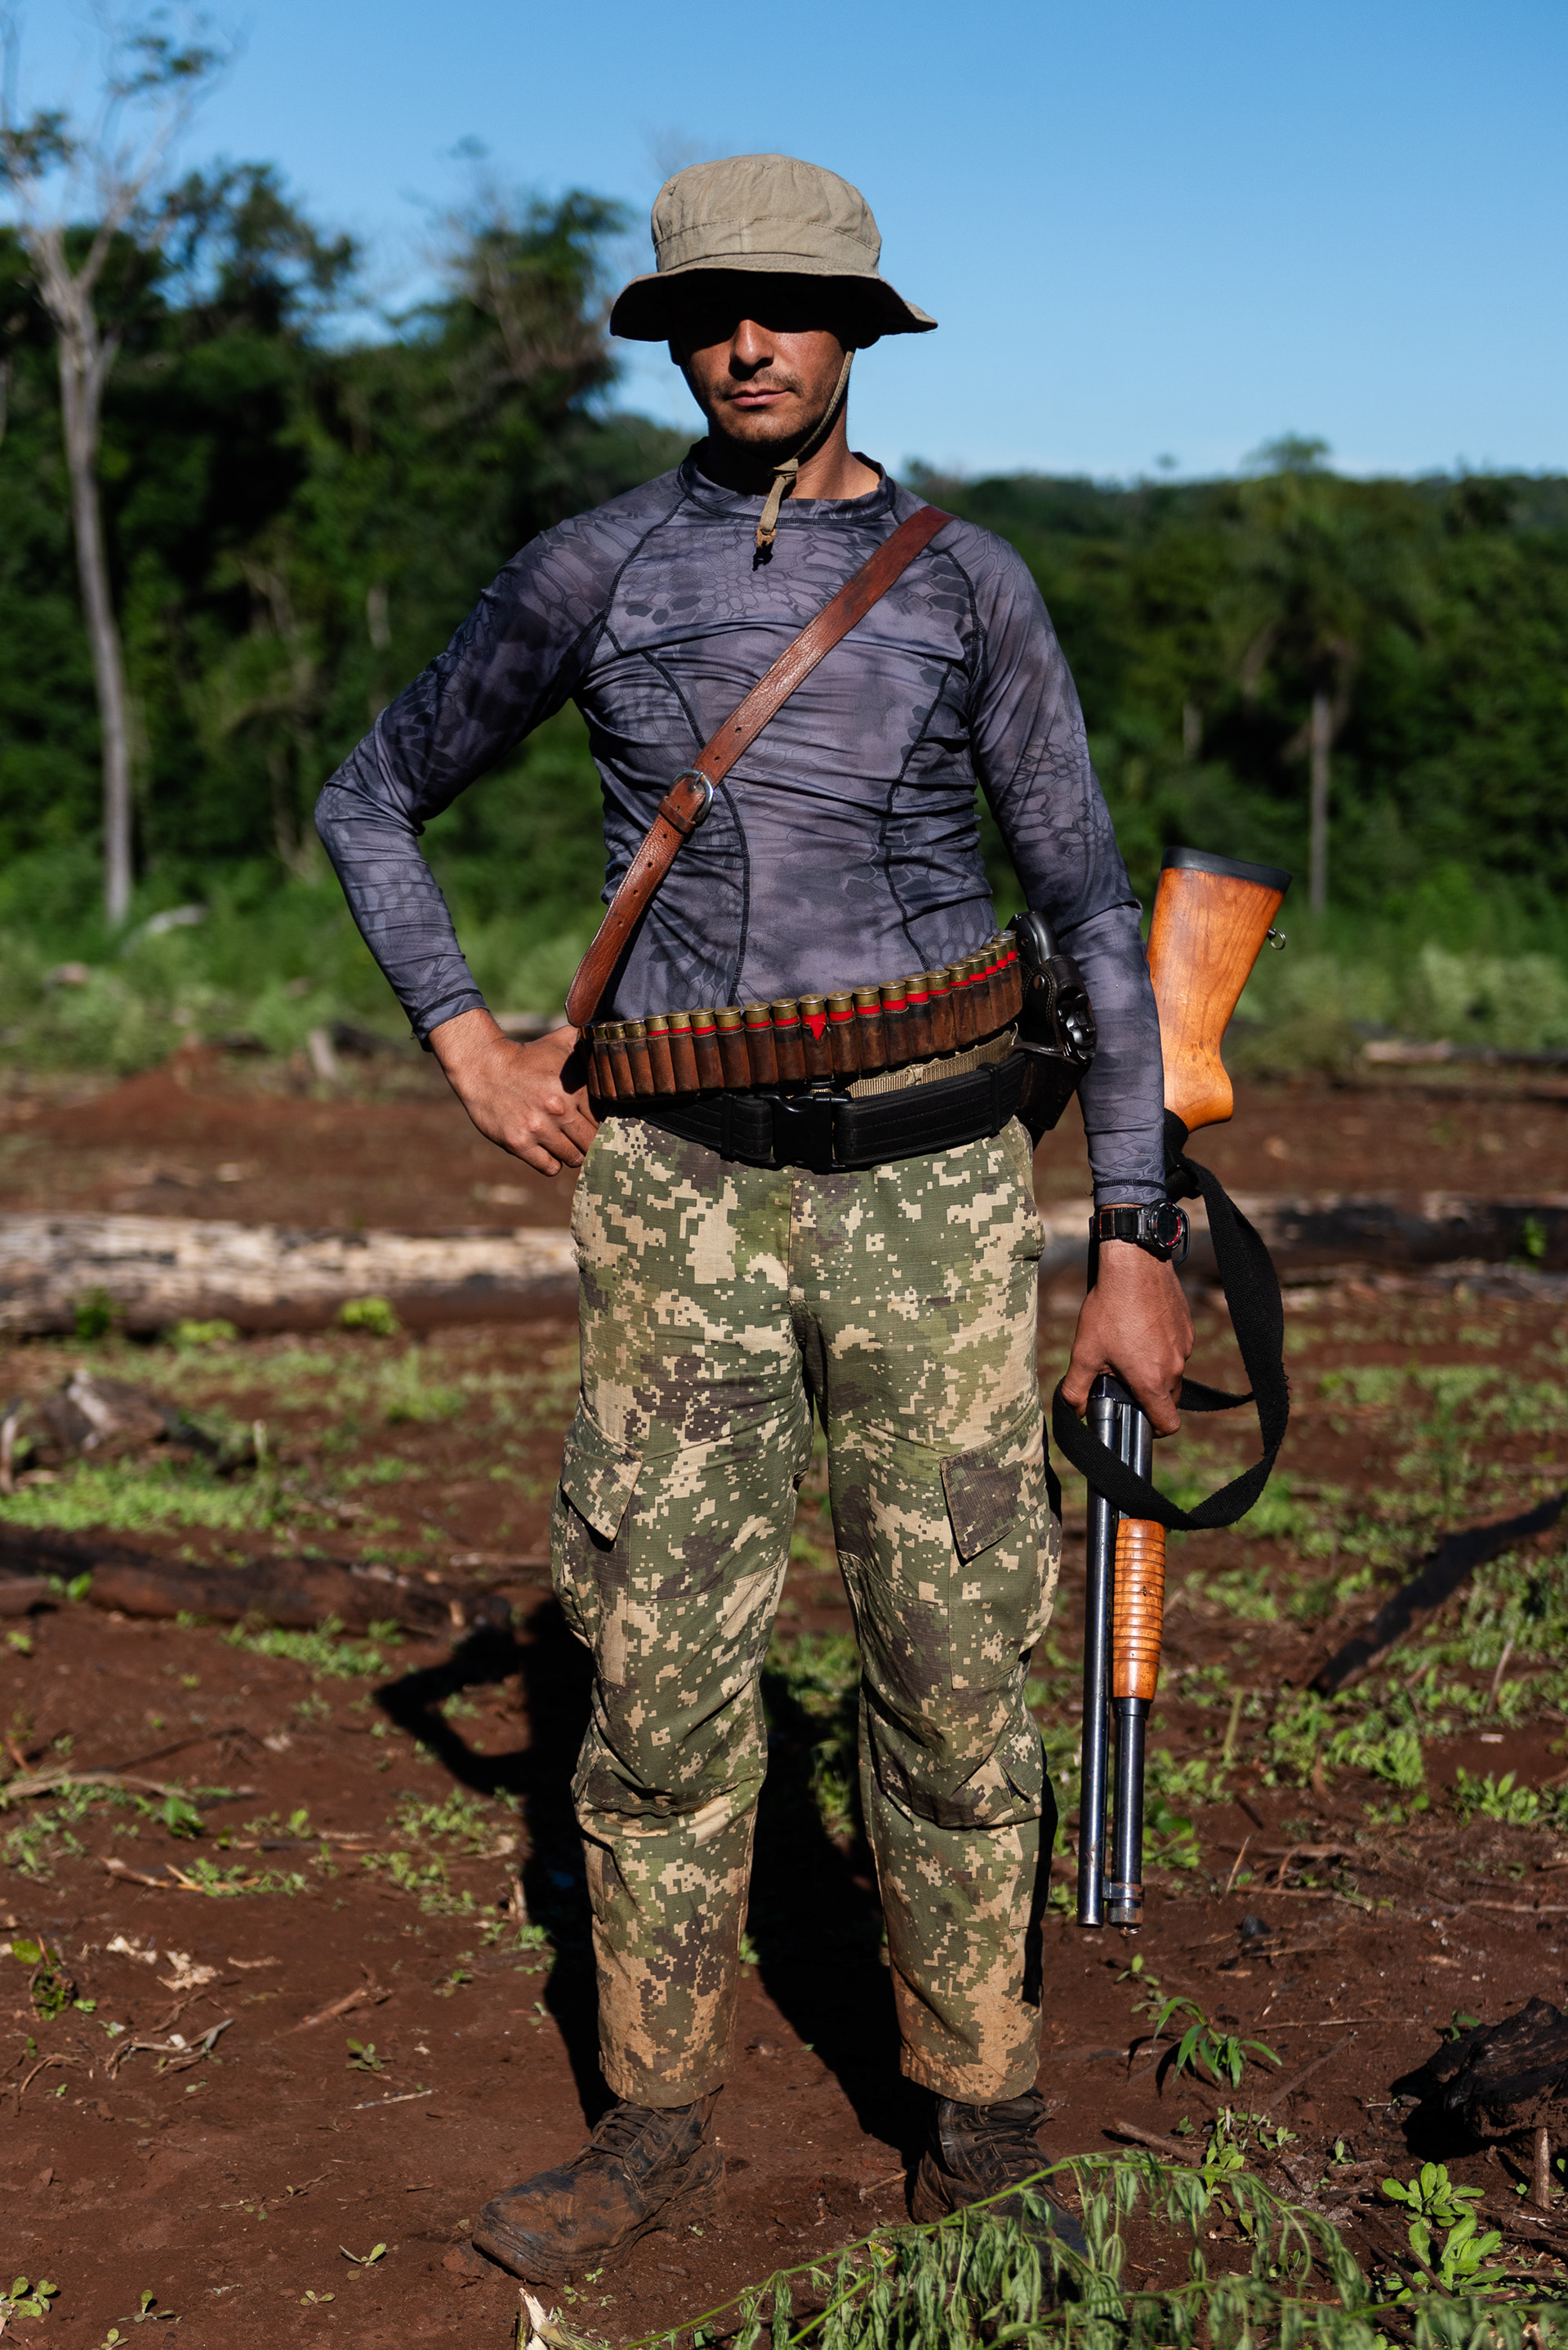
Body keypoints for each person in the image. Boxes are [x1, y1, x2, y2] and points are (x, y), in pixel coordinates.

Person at [315, 151, 1192, 2285]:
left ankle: (978, 2115)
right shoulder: (596, 569)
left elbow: (1086, 904)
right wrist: (466, 1044)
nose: (749, 337)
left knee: (960, 1671)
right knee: (661, 1688)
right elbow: (373, 798)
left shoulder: (968, 582)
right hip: (681, 1205)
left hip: (938, 1200)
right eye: (712, 304)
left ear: (857, 331)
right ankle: (654, 2121)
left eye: (790, 305)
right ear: (674, 328)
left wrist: (1137, 1233)